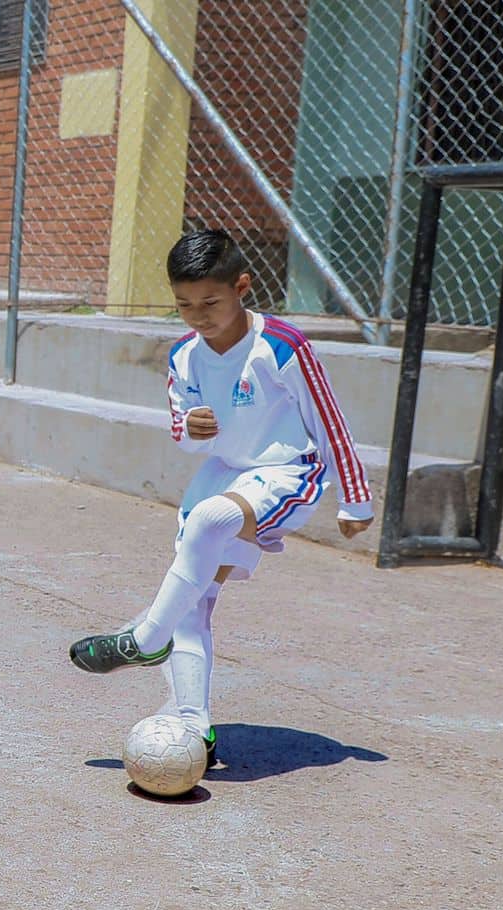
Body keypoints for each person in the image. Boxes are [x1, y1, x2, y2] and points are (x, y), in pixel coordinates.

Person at [67, 229, 374, 765]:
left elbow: (330, 420)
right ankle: (195, 726)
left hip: (285, 473)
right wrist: (193, 427)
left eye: (210, 302)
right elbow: (180, 431)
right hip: (222, 473)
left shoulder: (281, 345)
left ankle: (143, 638)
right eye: (184, 304)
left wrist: (356, 498)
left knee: (210, 523)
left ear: (241, 287)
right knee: (194, 603)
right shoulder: (183, 355)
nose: (198, 315)